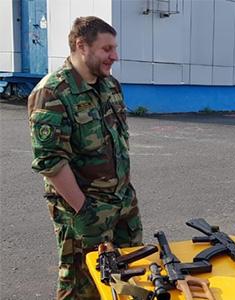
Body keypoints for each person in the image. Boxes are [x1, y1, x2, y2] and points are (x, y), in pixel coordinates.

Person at [28, 16, 143, 299]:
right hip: (84, 212)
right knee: (82, 287)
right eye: (107, 49)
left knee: (129, 278)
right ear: (82, 45)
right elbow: (51, 163)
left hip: (122, 205)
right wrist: (84, 211)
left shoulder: (111, 86)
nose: (114, 56)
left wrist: (125, 195)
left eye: (114, 48)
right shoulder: (52, 92)